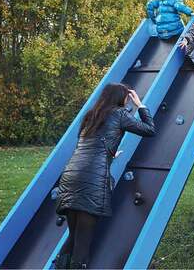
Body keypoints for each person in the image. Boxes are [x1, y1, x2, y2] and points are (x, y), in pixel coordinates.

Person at [54, 83, 157, 269]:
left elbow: (87, 145)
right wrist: (140, 105)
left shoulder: (90, 115)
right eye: (126, 98)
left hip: (71, 175)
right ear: (120, 98)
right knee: (83, 241)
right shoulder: (119, 114)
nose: (127, 101)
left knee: (74, 234)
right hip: (91, 180)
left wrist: (109, 154)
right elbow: (149, 129)